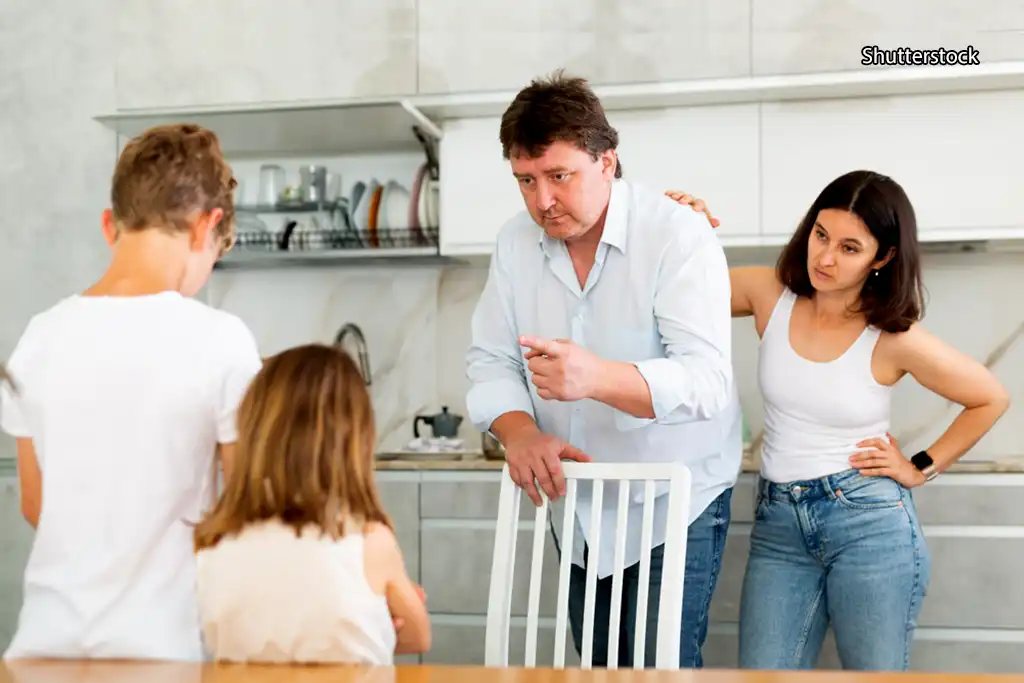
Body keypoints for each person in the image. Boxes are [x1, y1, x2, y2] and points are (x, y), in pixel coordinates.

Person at [665, 171, 1010, 671]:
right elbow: (677, 290)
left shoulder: (893, 337)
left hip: (868, 523)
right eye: (821, 235)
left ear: (882, 257)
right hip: (779, 525)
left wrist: (919, 467)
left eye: (850, 248)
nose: (825, 258)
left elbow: (990, 398)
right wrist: (682, 227)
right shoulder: (769, 294)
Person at [465, 71, 744, 669]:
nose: (542, 200)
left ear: (607, 161)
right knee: (597, 671)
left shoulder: (677, 234)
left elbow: (708, 382)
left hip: (675, 503)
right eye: (526, 181)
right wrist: (520, 432)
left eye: (559, 176)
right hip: (580, 506)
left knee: (658, 673)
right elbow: (491, 360)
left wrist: (597, 378)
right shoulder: (514, 245)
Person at [0, 123, 263, 660]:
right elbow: (246, 502)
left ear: (109, 225)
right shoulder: (222, 339)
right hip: (161, 647)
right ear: (207, 225)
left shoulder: (39, 335)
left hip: (43, 647)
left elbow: (34, 502)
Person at [192, 343, 431, 664]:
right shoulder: (369, 543)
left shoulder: (211, 543)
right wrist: (377, 620)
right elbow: (418, 636)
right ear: (355, 440)